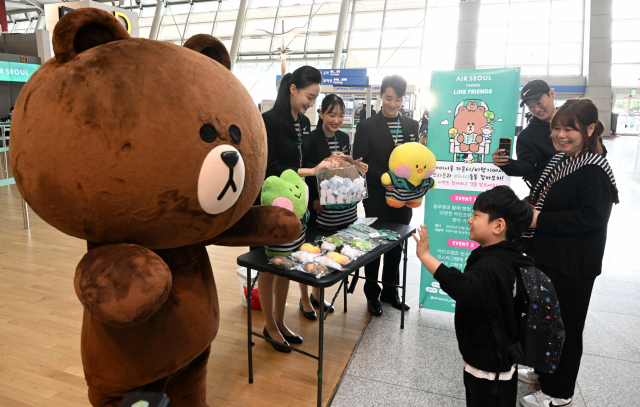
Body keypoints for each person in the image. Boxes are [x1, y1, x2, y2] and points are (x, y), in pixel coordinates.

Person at [518, 99, 618, 407]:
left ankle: (559, 392)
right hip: (547, 254)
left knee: (566, 327)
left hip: (573, 263)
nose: (561, 135)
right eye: (556, 128)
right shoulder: (561, 159)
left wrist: (539, 219)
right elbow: (540, 196)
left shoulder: (594, 169)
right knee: (543, 319)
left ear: (589, 129)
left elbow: (592, 217)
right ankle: (541, 371)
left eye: (569, 129)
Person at [413, 186, 534, 407]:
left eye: (476, 215)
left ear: (498, 226)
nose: (470, 220)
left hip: (490, 363)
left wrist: (425, 256)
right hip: (499, 352)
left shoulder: (493, 266)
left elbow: (464, 288)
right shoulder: (509, 254)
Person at [260, 66, 337, 351]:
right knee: (269, 267)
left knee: (286, 265)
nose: (311, 102)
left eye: (315, 98)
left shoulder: (303, 122)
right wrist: (310, 170)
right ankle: (269, 325)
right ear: (293, 89)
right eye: (309, 96)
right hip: (276, 205)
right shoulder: (269, 121)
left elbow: (305, 157)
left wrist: (326, 163)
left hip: (299, 204)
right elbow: (271, 168)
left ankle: (280, 321)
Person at [352, 74, 418, 316]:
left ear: (403, 99)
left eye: (398, 99)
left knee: (396, 244)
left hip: (405, 197)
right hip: (378, 196)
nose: (392, 104)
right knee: (374, 245)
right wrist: (384, 179)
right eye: (388, 98)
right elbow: (360, 162)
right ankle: (372, 293)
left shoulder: (412, 125)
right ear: (381, 96)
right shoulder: (367, 126)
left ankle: (391, 290)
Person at [299, 94, 368, 320]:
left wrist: (356, 166)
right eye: (331, 114)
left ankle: (318, 297)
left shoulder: (345, 137)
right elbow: (306, 171)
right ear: (320, 114)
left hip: (343, 208)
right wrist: (312, 203)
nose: (336, 119)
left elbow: (346, 168)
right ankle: (305, 299)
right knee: (313, 253)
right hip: (320, 208)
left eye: (340, 114)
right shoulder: (311, 138)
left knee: (331, 252)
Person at [492, 80, 558, 190]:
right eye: (530, 106)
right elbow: (527, 167)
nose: (536, 109)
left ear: (551, 94)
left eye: (539, 102)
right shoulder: (526, 136)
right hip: (548, 193)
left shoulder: (574, 121)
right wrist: (505, 163)